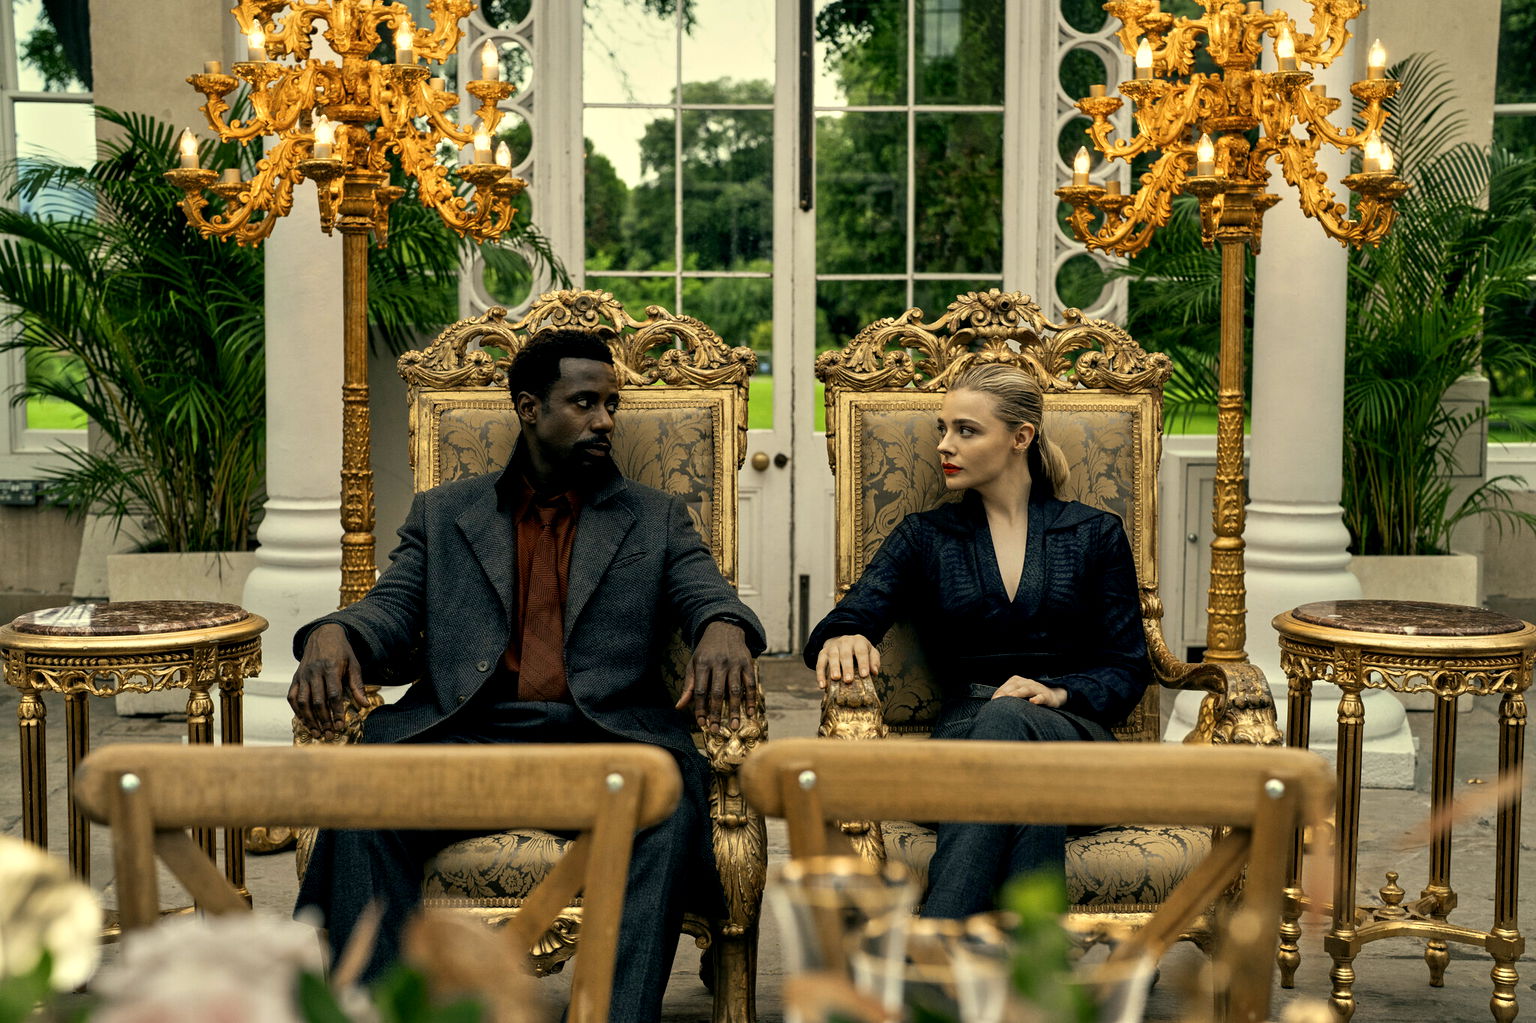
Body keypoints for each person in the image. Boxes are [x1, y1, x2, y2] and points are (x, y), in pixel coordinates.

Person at [289, 329, 765, 1019]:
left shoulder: (654, 517)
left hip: (604, 745)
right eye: (584, 402)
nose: (605, 420)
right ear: (529, 408)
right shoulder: (445, 513)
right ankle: (382, 1010)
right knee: (362, 800)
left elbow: (706, 591)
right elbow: (392, 607)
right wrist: (336, 631)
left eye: (611, 404)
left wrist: (723, 625)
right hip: (468, 737)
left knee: (669, 806)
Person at [802, 361, 1147, 918]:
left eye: (966, 430)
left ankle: (936, 944)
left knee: (1011, 718)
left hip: (1075, 743)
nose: (945, 445)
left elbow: (1128, 668)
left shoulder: (1094, 533)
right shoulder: (926, 536)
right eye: (943, 429)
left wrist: (1056, 693)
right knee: (1018, 759)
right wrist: (844, 636)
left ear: (1020, 437)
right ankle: (1036, 956)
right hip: (963, 739)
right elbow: (849, 617)